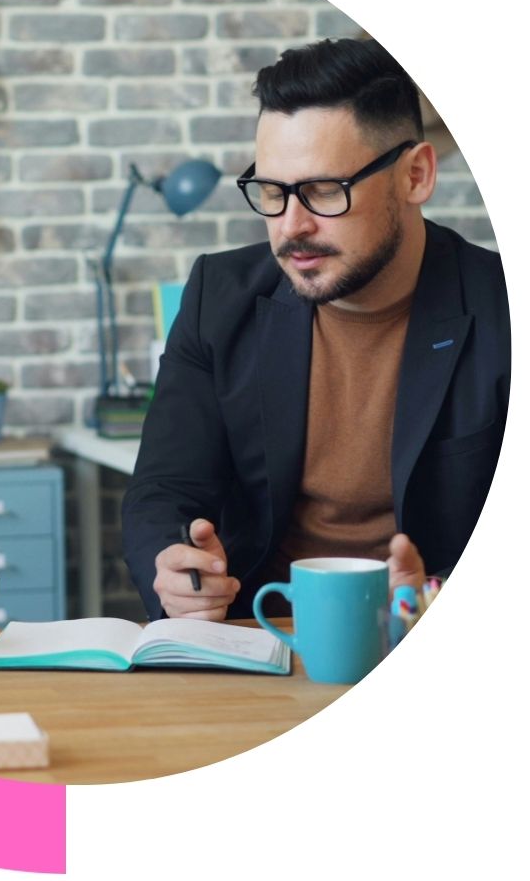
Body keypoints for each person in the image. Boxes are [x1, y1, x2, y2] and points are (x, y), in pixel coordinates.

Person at [122, 38, 509, 622]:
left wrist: (439, 599)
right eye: (273, 193)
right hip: (258, 632)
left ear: (416, 175)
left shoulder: (502, 309)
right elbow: (162, 490)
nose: (291, 227)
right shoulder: (218, 296)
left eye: (325, 190)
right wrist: (173, 569)